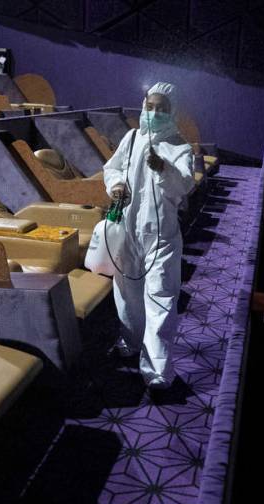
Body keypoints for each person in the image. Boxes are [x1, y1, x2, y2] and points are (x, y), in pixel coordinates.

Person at [102, 82, 196, 390]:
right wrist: (115, 184)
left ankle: (157, 372)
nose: (154, 112)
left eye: (162, 108)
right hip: (128, 232)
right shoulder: (131, 138)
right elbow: (111, 168)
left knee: (160, 299)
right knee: (127, 295)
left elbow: (183, 187)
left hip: (162, 237)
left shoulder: (180, 146)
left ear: (173, 112)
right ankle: (130, 343)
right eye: (150, 106)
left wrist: (163, 167)